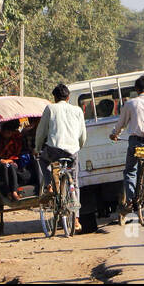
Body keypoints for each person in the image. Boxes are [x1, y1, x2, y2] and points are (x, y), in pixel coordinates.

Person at [35, 83, 89, 229]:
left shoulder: (50, 108)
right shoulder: (77, 110)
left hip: (54, 150)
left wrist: (37, 147)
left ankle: (49, 186)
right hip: (72, 151)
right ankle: (76, 219)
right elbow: (82, 135)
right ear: (68, 97)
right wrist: (78, 147)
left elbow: (41, 132)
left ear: (54, 97)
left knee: (43, 159)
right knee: (75, 182)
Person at [110, 75, 144, 216]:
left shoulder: (130, 104)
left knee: (130, 171)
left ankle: (130, 200)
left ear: (136, 89)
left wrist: (114, 134)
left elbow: (121, 124)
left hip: (136, 142)